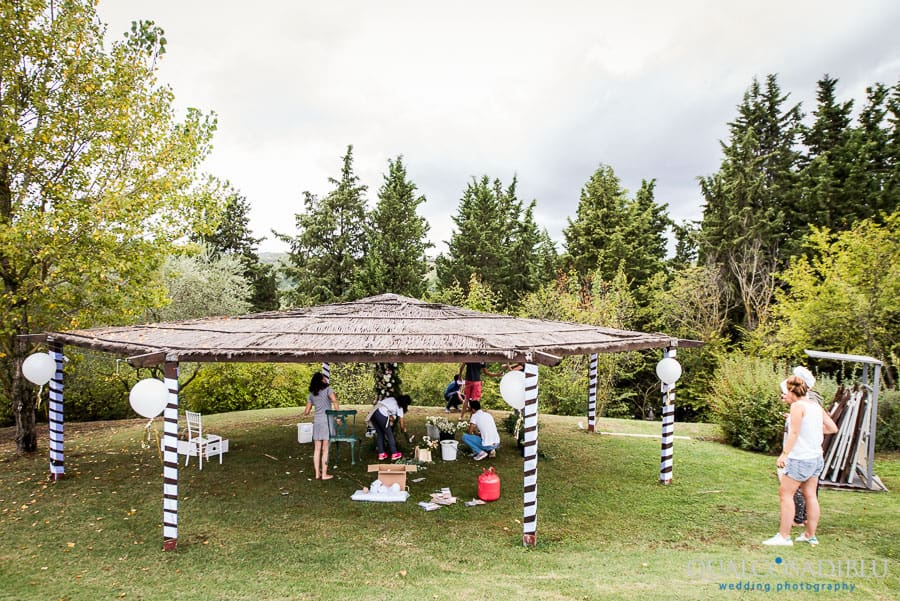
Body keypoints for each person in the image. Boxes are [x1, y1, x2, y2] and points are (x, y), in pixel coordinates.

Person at [763, 375, 838, 546]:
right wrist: (811, 430)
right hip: (816, 458)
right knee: (810, 495)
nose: (784, 396)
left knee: (785, 494)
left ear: (791, 390)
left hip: (800, 459)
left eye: (785, 392)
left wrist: (784, 454)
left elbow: (795, 433)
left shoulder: (797, 406)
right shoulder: (815, 405)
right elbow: (832, 428)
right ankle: (810, 535)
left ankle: (784, 537)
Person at [304, 372, 339, 480]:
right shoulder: (328, 389)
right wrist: (338, 416)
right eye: (324, 378)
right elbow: (334, 401)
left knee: (317, 449)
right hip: (327, 421)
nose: (325, 380)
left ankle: (317, 474)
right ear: (321, 380)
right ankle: (324, 474)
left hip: (317, 422)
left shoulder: (311, 394)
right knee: (325, 449)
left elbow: (306, 411)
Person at [371, 393, 410, 461]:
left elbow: (385, 407)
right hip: (382, 415)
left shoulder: (392, 399)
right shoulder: (400, 408)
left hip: (374, 413)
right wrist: (403, 429)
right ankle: (394, 454)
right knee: (390, 435)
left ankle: (381, 454)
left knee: (380, 434)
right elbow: (401, 423)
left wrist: (391, 418)